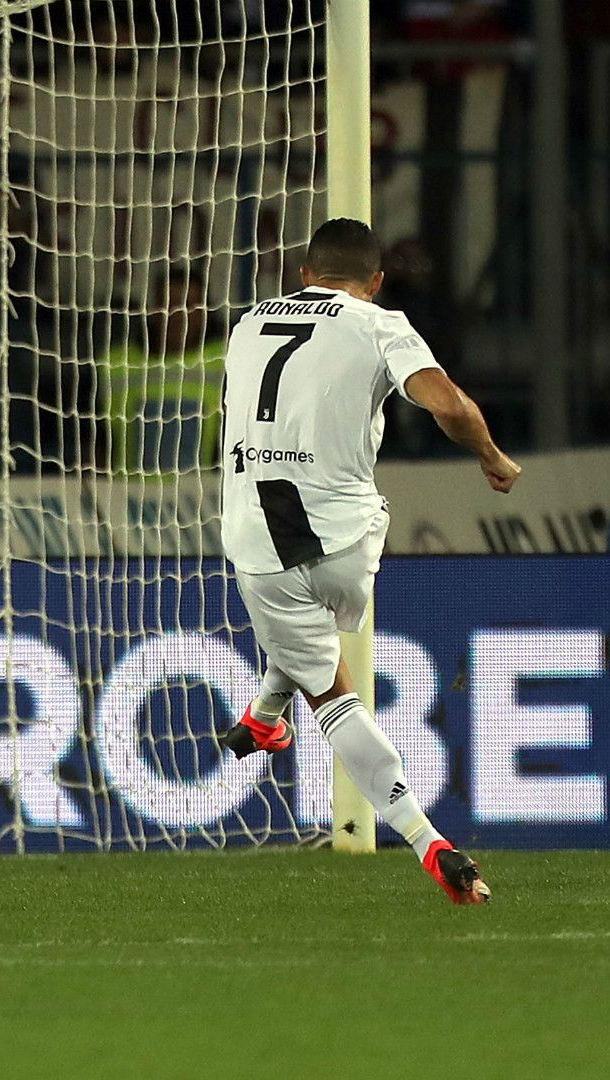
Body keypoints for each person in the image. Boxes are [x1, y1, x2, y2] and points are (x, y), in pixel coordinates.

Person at [215, 218, 519, 905]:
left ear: (302, 274)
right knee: (315, 627)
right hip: (350, 540)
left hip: (257, 543)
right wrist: (491, 456)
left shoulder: (246, 324)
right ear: (375, 282)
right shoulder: (379, 323)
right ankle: (265, 715)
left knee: (331, 690)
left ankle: (425, 840)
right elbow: (446, 401)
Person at [101, 264, 225, 473]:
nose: (180, 315)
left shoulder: (224, 360)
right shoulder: (116, 363)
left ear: (205, 313)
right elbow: (94, 441)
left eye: (190, 306)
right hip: (128, 497)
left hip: (200, 498)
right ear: (154, 309)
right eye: (171, 304)